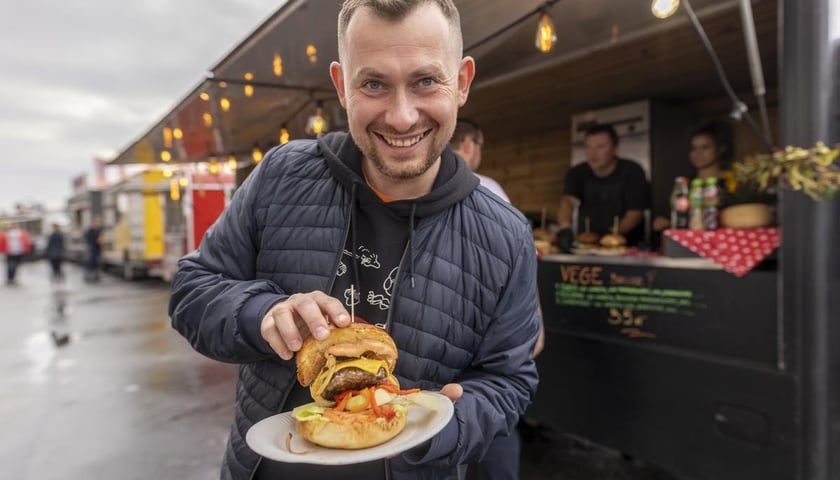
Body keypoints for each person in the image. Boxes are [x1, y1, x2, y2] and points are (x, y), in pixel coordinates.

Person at [168, 2, 541, 480]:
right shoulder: (282, 176)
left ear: (462, 82)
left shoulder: (505, 236)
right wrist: (260, 314)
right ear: (342, 86)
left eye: (426, 81)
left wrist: (450, 428)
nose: (402, 117)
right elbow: (192, 291)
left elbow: (509, 378)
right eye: (374, 84)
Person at [451, 118, 543, 480]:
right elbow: (517, 262)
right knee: (493, 422)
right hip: (485, 331)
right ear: (472, 144)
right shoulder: (487, 185)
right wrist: (535, 321)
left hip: (443, 335)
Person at [556, 124, 649, 251]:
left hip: (628, 249)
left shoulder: (632, 171)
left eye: (600, 147)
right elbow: (567, 201)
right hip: (586, 247)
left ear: (615, 148)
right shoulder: (576, 172)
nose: (592, 153)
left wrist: (608, 240)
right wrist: (565, 227)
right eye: (588, 147)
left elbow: (635, 213)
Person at [450, 118, 510, 202]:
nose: (481, 152)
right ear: (469, 144)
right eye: (481, 146)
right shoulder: (489, 188)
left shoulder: (429, 182)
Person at [84, 215, 102, 282]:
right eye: (98, 222)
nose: (99, 223)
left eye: (100, 222)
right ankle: (89, 275)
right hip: (92, 248)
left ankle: (95, 275)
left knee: (96, 262)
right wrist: (96, 240)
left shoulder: (99, 230)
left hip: (97, 248)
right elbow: (88, 238)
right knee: (91, 262)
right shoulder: (91, 230)